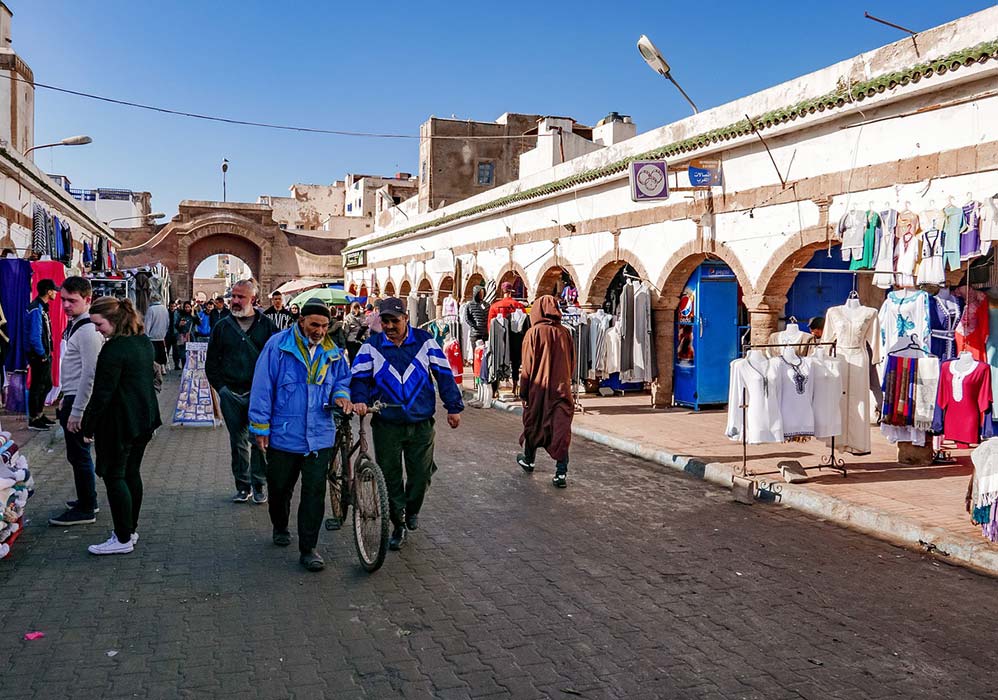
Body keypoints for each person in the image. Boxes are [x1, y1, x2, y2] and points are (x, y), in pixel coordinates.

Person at [351, 297, 464, 551]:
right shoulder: (371, 347)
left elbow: (444, 375)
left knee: (421, 475)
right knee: (390, 478)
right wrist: (359, 399)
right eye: (385, 321)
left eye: (395, 320)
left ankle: (412, 509)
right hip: (386, 424)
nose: (389, 326)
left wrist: (453, 407)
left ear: (406, 319)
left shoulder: (425, 342)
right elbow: (358, 378)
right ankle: (398, 523)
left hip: (421, 423)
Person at [248, 298, 352, 572]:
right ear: (301, 321)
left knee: (314, 493)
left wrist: (341, 396)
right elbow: (262, 386)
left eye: (325, 326)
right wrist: (260, 427)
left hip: (320, 435)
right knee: (280, 487)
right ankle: (280, 525)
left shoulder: (333, 351)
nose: (319, 330)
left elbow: (342, 380)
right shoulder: (278, 346)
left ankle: (309, 549)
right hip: (284, 434)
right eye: (315, 324)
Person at [82, 296, 162, 555]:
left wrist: (87, 425)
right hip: (144, 419)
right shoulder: (142, 342)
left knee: (115, 475)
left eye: (99, 324)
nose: (96, 329)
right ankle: (129, 530)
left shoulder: (114, 349)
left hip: (121, 422)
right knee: (131, 473)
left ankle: (123, 537)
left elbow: (102, 393)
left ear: (114, 321)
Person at [205, 280, 278, 504]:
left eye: (240, 297)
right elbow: (211, 364)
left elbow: (277, 361)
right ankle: (242, 485)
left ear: (253, 299)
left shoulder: (267, 326)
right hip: (231, 394)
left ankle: (259, 484)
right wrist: (223, 390)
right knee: (237, 442)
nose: (235, 301)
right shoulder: (222, 327)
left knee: (259, 440)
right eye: (233, 296)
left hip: (260, 396)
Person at [48, 277, 104, 527]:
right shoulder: (78, 327)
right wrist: (63, 397)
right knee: (77, 455)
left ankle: (86, 507)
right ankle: (87, 499)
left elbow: (90, 374)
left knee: (79, 454)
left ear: (88, 300)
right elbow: (73, 370)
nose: (67, 306)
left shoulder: (88, 331)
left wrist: (78, 410)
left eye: (73, 300)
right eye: (63, 300)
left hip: (79, 403)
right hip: (71, 398)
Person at [516, 295, 574, 487]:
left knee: (534, 423)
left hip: (538, 391)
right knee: (560, 429)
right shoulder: (565, 333)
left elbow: (527, 367)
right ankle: (561, 472)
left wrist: (523, 393)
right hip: (561, 390)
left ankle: (529, 460)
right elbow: (571, 362)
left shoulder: (533, 333)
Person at [26, 278, 58, 431]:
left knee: (46, 385)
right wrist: (42, 353)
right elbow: (34, 335)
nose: (56, 294)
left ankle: (39, 414)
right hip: (39, 354)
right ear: (48, 291)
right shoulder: (36, 308)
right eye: (54, 290)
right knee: (38, 386)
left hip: (43, 352)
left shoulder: (41, 307)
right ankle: (34, 418)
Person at [144, 293, 170, 392]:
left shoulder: (151, 309)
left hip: (152, 336)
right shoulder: (164, 309)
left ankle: (156, 371)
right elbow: (167, 322)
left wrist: (146, 335)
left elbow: (148, 323)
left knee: (154, 355)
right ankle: (163, 368)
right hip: (161, 335)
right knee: (162, 352)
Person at [173, 301, 195, 369]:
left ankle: (190, 368)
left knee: (191, 351)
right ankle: (184, 368)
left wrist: (194, 315)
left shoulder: (193, 315)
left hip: (190, 335)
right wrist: (179, 324)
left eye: (188, 307)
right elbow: (176, 325)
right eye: (185, 307)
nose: (187, 308)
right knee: (182, 352)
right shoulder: (180, 315)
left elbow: (199, 322)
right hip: (181, 335)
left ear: (191, 308)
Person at [165, 301, 178, 370]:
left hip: (175, 333)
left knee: (176, 350)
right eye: (171, 306)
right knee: (166, 349)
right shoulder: (166, 313)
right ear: (169, 306)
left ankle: (176, 364)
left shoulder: (177, 313)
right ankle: (164, 365)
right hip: (168, 334)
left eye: (173, 306)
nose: (172, 308)